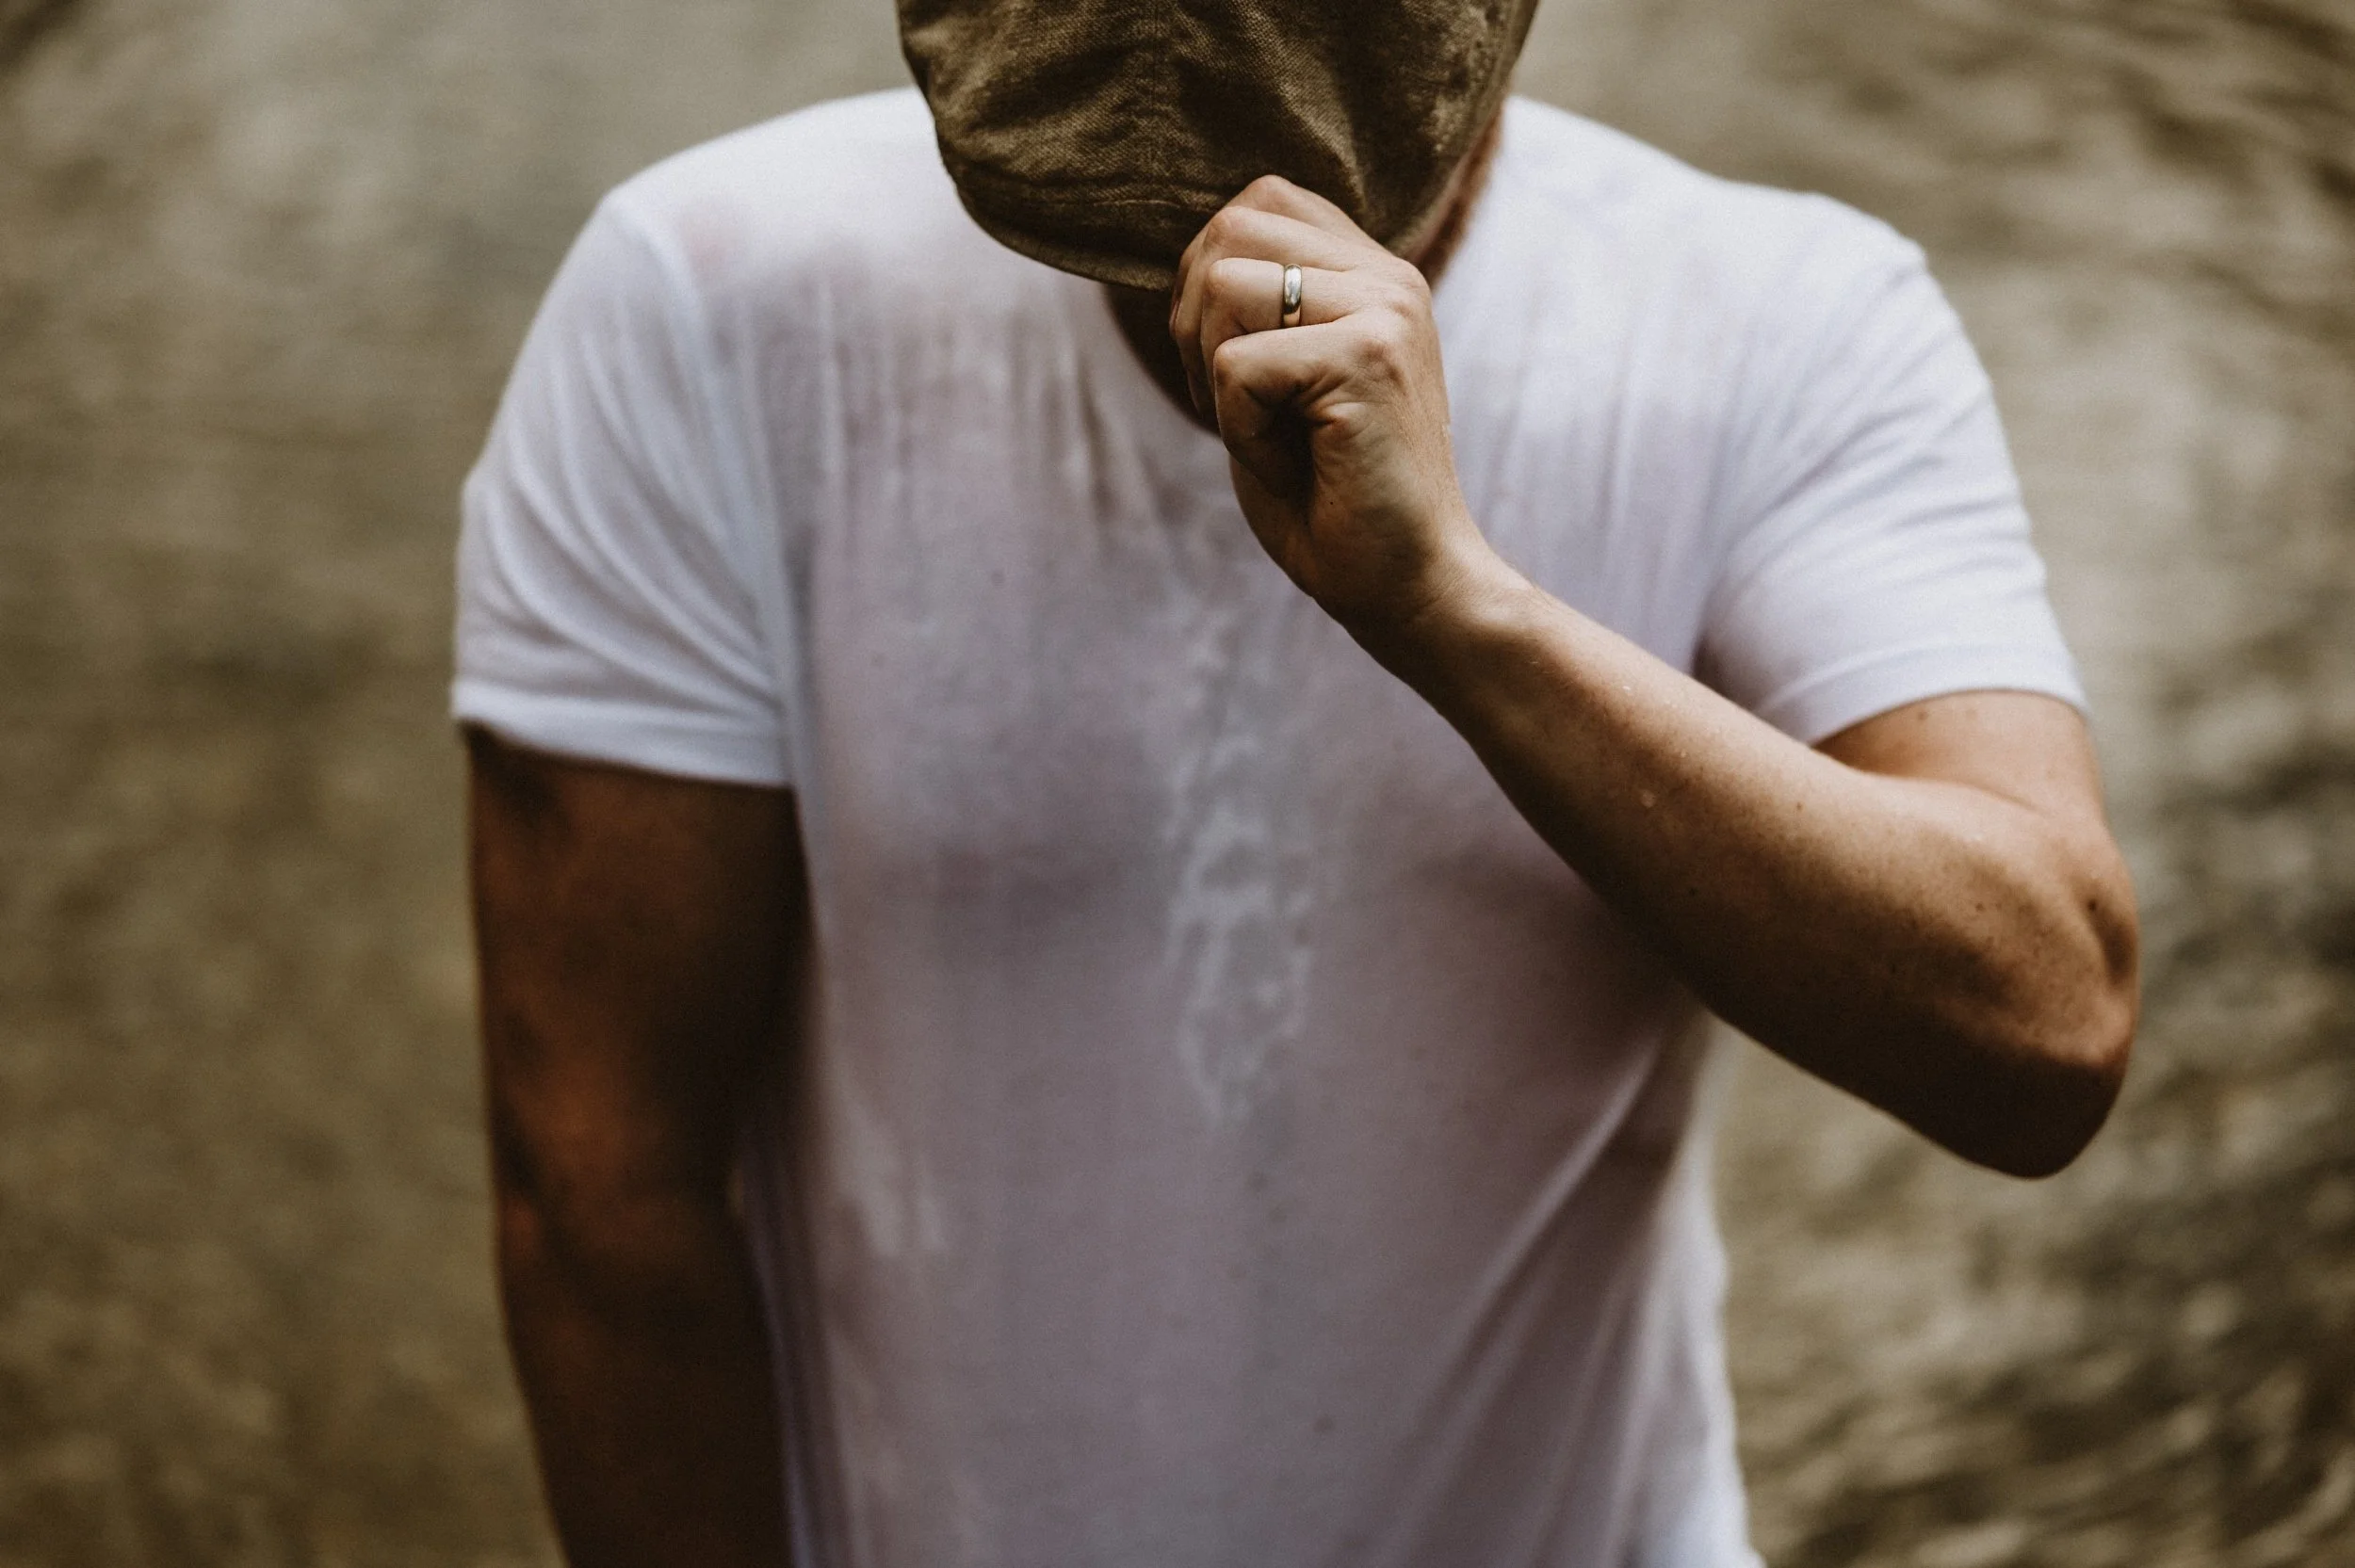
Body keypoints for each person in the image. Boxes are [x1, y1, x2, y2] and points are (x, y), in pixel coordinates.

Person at [453, 6, 2139, 1563]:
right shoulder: (708, 301)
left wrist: (1462, 616)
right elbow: (603, 1195)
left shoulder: (1782, 323)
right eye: (1102, 205)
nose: (1184, 259)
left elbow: (2045, 1021)